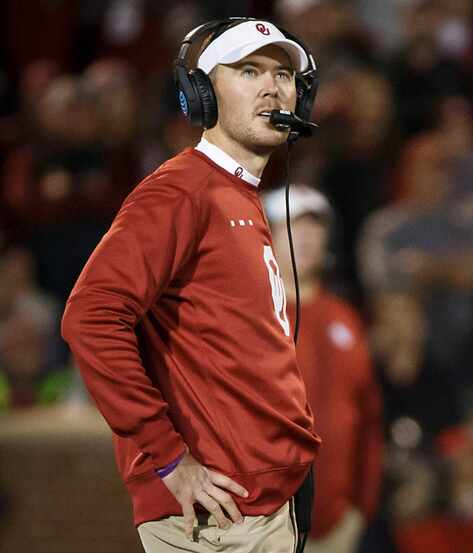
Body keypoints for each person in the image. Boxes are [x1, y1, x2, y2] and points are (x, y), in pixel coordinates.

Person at [60, 18, 320, 553]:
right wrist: (169, 457)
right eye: (250, 70)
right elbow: (90, 317)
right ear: (200, 93)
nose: (274, 86)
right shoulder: (182, 191)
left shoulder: (234, 193)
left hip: (266, 503)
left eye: (284, 74)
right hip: (224, 514)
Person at [264, 185, 383, 553]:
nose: (308, 238)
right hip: (264, 523)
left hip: (335, 523)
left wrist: (360, 509)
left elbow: (368, 417)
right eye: (294, 227)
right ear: (267, 234)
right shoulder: (249, 317)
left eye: (316, 228)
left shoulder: (344, 317)